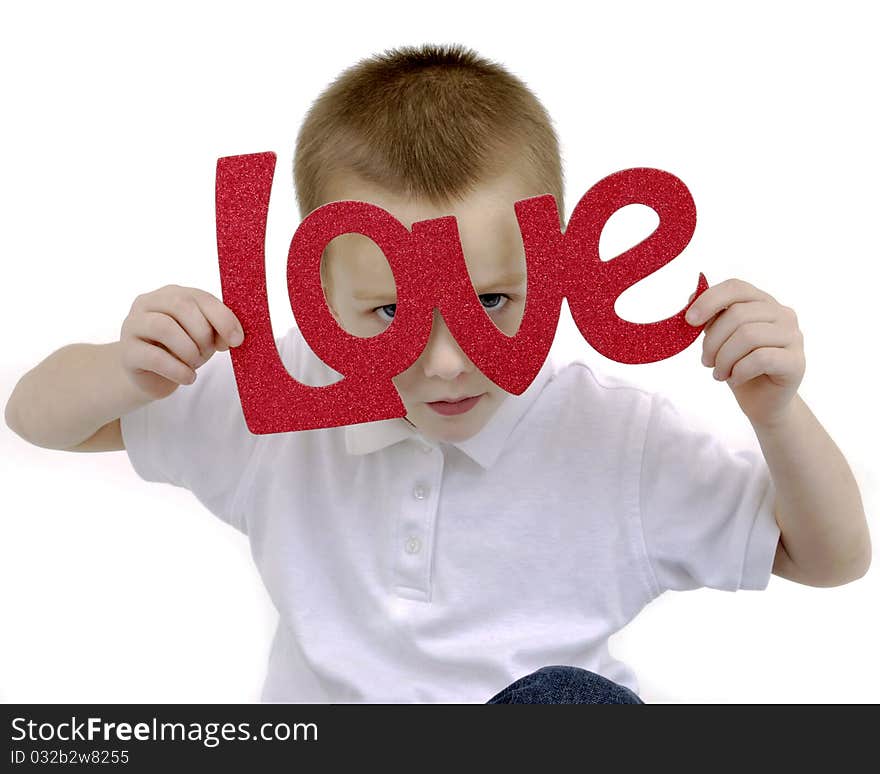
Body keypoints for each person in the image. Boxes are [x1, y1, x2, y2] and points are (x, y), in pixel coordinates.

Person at [5, 43, 870, 704]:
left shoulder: (615, 438)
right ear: (318, 293)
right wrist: (129, 369)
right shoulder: (277, 399)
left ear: (557, 268)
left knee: (568, 705)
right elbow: (37, 417)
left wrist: (777, 413)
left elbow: (829, 558)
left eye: (493, 300)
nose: (450, 359)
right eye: (388, 313)